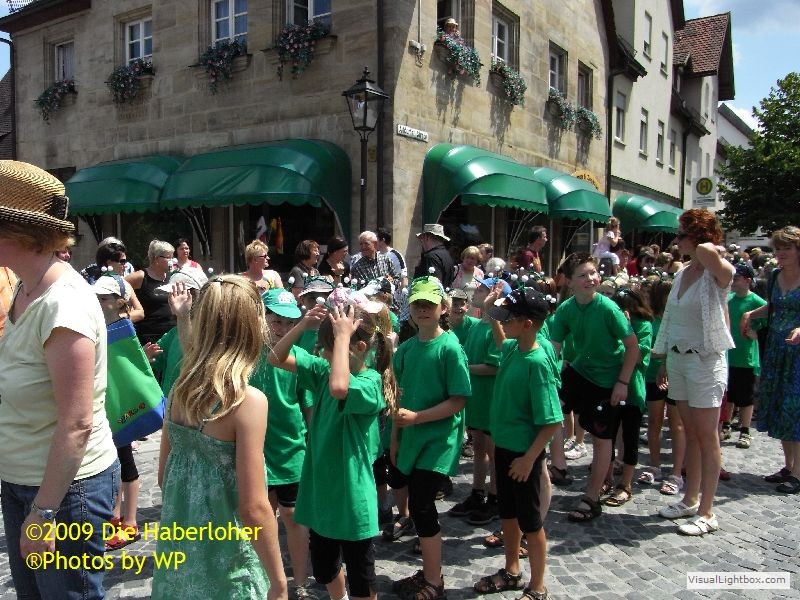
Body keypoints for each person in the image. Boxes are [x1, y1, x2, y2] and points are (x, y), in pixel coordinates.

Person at [0, 160, 119, 599]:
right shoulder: (24, 287)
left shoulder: (62, 304)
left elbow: (77, 423)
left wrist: (44, 512)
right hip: (25, 481)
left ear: (16, 233)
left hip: (65, 493)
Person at [152, 275, 287, 599]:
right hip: (229, 568)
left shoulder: (180, 390)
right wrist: (279, 581)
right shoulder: (246, 402)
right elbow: (255, 508)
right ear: (251, 327)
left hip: (179, 562)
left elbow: (163, 477)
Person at [269, 295, 393, 600]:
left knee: (362, 579)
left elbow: (340, 388)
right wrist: (302, 325)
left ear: (358, 347)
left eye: (328, 347)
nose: (322, 353)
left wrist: (341, 338)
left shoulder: (370, 382)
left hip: (352, 499)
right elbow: (275, 356)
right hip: (322, 494)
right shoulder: (324, 371)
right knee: (325, 569)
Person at [471, 287, 562, 600]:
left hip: (524, 455)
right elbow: (501, 340)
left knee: (531, 523)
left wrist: (529, 459)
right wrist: (490, 311)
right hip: (505, 449)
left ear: (527, 324)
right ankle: (512, 570)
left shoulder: (537, 362)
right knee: (508, 515)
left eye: (508, 318)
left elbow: (552, 421)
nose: (503, 322)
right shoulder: (513, 349)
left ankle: (537, 586)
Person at [654, 209, 735, 536]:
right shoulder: (683, 272)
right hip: (678, 359)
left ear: (700, 237)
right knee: (689, 432)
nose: (677, 241)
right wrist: (663, 359)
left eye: (682, 234)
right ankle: (690, 499)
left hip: (705, 362)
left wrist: (707, 245)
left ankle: (707, 512)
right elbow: (671, 319)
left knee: (707, 435)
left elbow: (718, 262)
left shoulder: (715, 272)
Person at [390, 276, 471, 600]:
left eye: (429, 304)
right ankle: (427, 572)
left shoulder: (450, 348)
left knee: (422, 505)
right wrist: (395, 438)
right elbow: (397, 396)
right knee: (417, 503)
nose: (423, 310)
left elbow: (459, 399)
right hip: (411, 437)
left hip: (439, 439)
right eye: (417, 304)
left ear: (443, 308)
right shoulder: (406, 349)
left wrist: (418, 418)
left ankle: (435, 582)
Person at [547, 253, 639, 523]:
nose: (591, 278)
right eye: (583, 275)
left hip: (607, 381)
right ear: (569, 282)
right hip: (580, 371)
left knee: (601, 438)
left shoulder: (608, 309)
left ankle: (591, 497)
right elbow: (554, 347)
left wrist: (622, 383)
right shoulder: (566, 309)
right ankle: (559, 464)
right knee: (549, 406)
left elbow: (632, 347)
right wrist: (547, 371)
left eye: (593, 273)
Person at [254, 288, 315, 599]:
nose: (281, 328)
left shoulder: (298, 356)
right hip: (255, 450)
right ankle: (266, 581)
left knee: (294, 517)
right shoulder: (246, 353)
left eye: (289, 323)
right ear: (261, 317)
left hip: (291, 447)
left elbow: (308, 404)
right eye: (275, 321)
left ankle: (301, 583)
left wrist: (314, 443)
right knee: (262, 516)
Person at [741, 225, 800, 493]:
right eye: (778, 248)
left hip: (797, 353)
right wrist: (751, 314)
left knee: (794, 408)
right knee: (779, 407)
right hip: (777, 349)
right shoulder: (775, 275)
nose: (781, 253)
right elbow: (774, 307)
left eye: (787, 248)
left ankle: (798, 473)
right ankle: (788, 466)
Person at [90, 274, 144, 551]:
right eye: (97, 298)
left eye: (104, 298)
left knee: (124, 459)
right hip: (103, 400)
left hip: (118, 402)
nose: (99, 303)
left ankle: (130, 522)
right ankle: (114, 516)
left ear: (119, 302)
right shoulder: (95, 326)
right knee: (112, 460)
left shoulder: (123, 327)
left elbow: (132, 363)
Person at [603, 287, 653, 508]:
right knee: (607, 437)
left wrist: (627, 329)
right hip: (608, 386)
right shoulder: (610, 323)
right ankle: (606, 477)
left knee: (630, 438)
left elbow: (638, 354)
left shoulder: (643, 325)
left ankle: (625, 484)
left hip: (633, 390)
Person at [721, 263, 766, 449]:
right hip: (728, 355)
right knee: (729, 393)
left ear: (748, 281)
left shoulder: (757, 301)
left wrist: (757, 333)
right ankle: (726, 424)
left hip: (746, 358)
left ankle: (745, 430)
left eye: (737, 279)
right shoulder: (728, 298)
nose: (733, 282)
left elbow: (768, 322)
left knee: (746, 396)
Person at [126, 239, 176, 345]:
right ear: (157, 259)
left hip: (172, 335)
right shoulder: (140, 277)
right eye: (169, 257)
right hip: (149, 338)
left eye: (173, 257)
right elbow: (119, 286)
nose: (172, 261)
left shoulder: (172, 277)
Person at [452, 246, 485, 316]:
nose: (469, 260)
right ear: (463, 258)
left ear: (477, 260)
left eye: (472, 258)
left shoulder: (480, 273)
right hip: (457, 309)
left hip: (473, 310)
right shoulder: (455, 270)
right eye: (467, 257)